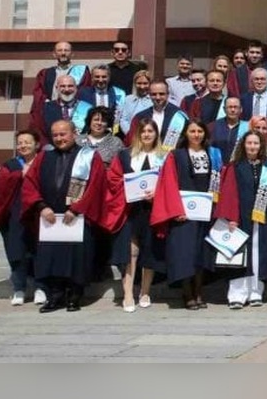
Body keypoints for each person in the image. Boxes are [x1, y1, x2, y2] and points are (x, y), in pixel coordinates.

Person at [22, 120, 119, 313]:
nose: (59, 138)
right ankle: (55, 295)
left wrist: (76, 208)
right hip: (50, 218)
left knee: (76, 257)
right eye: (55, 135)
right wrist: (41, 207)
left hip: (78, 217)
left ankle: (75, 294)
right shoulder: (43, 157)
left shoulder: (89, 157)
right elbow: (30, 184)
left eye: (63, 134)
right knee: (51, 257)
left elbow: (96, 185)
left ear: (74, 133)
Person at [150, 119, 220, 310]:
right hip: (183, 214)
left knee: (201, 254)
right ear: (185, 134)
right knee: (185, 254)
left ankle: (199, 292)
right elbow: (169, 184)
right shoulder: (176, 155)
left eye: (200, 131)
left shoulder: (213, 155)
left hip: (206, 212)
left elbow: (218, 182)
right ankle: (187, 293)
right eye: (192, 131)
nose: (196, 134)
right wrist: (176, 210)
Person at [215, 131, 267, 309]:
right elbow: (229, 194)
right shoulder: (234, 167)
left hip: (261, 218)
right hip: (240, 217)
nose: (252, 147)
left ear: (261, 146)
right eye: (249, 143)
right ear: (243, 145)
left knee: (259, 253)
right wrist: (232, 217)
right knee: (239, 254)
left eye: (256, 143)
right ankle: (236, 294)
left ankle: (255, 291)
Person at [108, 119, 165, 312]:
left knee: (149, 250)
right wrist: (127, 189)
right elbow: (113, 179)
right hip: (130, 210)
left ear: (156, 134)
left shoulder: (164, 157)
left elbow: (170, 182)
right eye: (143, 131)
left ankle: (145, 291)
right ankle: (128, 294)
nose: (147, 134)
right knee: (130, 252)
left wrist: (158, 193)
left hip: (153, 210)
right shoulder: (124, 156)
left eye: (151, 131)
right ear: (137, 134)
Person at [0, 130, 41, 306]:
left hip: (38, 215)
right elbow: (0, 188)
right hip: (14, 216)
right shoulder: (10, 165)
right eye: (20, 143)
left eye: (27, 142)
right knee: (17, 252)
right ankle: (19, 288)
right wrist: (19, 175)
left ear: (37, 144)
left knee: (38, 251)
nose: (23, 146)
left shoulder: (44, 162)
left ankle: (40, 287)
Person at [29, 41, 91, 136]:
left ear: (72, 54)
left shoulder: (82, 72)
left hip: (75, 113)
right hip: (53, 112)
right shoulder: (45, 74)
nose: (63, 53)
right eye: (60, 50)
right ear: (54, 54)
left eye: (66, 50)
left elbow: (85, 93)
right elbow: (39, 96)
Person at [128, 81, 188, 151]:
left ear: (168, 94)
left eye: (161, 94)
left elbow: (186, 141)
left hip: (172, 158)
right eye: (154, 94)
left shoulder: (180, 117)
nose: (158, 97)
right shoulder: (140, 117)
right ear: (149, 95)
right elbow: (133, 140)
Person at [38, 74, 89, 143]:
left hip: (80, 149)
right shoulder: (46, 108)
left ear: (76, 88)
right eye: (62, 86)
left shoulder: (87, 108)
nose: (66, 89)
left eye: (70, 86)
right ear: (57, 88)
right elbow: (42, 133)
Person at [118, 71, 153, 139]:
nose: (142, 87)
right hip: (130, 137)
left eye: (145, 83)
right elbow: (123, 120)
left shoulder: (153, 100)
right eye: (139, 83)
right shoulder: (127, 99)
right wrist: (130, 134)